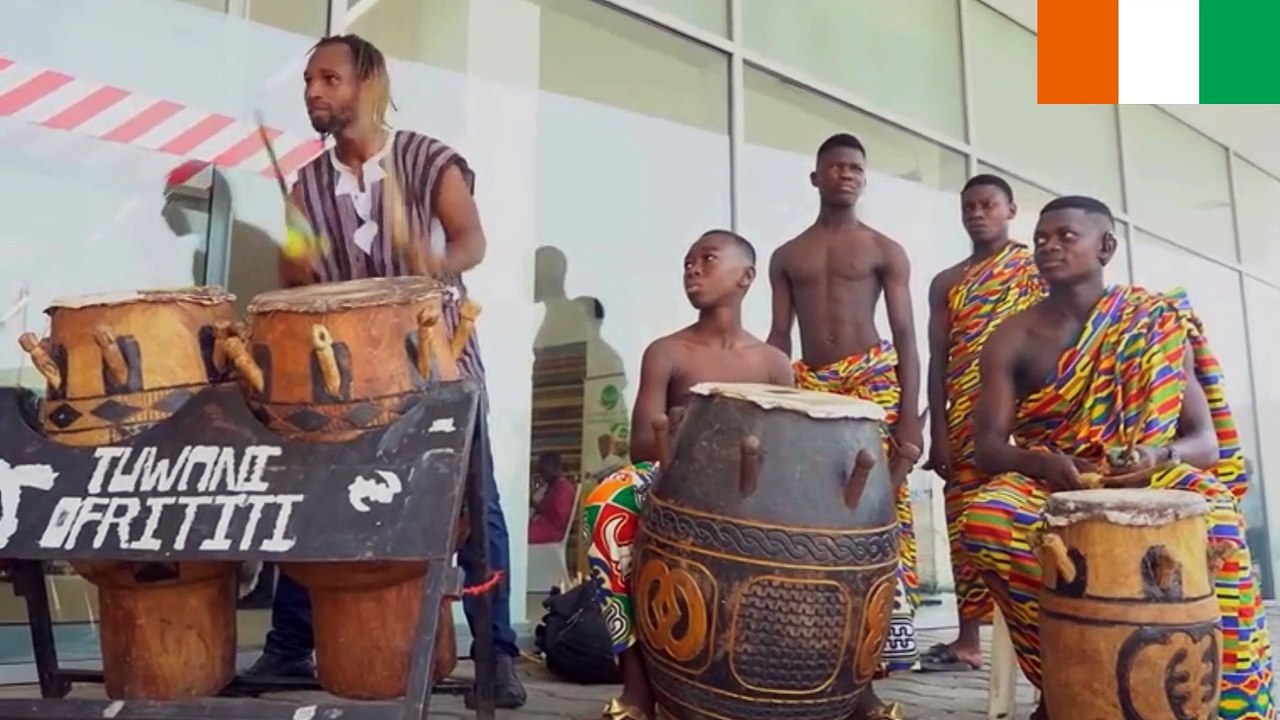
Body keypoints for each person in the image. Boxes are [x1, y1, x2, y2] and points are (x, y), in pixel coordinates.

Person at [249, 34, 527, 708]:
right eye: (309, 81)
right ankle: (291, 646)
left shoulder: (429, 160)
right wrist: (302, 269)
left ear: (368, 83)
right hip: (346, 380)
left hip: (437, 365)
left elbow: (472, 241)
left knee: (473, 505)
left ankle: (496, 654)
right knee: (315, 504)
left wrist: (431, 263)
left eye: (329, 79)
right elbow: (292, 273)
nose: (314, 92)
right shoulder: (307, 185)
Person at [965, 195, 1273, 720]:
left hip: (1150, 472)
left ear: (1106, 246)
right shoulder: (1010, 336)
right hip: (1054, 477)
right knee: (987, 520)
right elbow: (989, 448)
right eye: (1041, 239)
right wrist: (1047, 465)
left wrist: (1158, 455)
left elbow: (1204, 443)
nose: (1049, 247)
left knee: (1218, 519)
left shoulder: (1151, 323)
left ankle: (1227, 702)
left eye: (1065, 236)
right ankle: (1068, 681)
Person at [582, 230, 793, 720]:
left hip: (755, 491)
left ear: (745, 277)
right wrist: (691, 438)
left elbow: (786, 450)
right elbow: (640, 447)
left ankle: (855, 691)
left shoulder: (774, 363)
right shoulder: (667, 352)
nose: (692, 269)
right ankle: (637, 689)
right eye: (687, 262)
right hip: (675, 482)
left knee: (873, 523)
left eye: (707, 259)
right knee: (609, 502)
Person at [766, 133, 922, 718]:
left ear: (865, 178)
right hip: (811, 390)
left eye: (856, 168)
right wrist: (770, 399)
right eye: (835, 167)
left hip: (874, 387)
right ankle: (813, 659)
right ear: (816, 178)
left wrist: (909, 416)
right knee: (817, 521)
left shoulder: (885, 249)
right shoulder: (788, 255)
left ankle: (870, 675)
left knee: (879, 518)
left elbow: (905, 335)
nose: (846, 175)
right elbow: (780, 338)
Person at [919, 174, 1045, 672]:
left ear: (1011, 210)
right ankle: (968, 639)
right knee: (964, 527)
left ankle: (1039, 628)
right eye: (969, 205)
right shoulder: (947, 282)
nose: (977, 213)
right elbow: (937, 360)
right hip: (966, 419)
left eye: (988, 204)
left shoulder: (1034, 269)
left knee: (1023, 526)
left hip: (1027, 414)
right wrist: (939, 433)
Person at [528, 452, 577, 544]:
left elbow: (558, 518)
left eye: (543, 470)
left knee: (518, 535)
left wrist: (539, 508)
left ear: (553, 468)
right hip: (544, 527)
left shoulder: (563, 488)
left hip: (550, 530)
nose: (541, 474)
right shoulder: (554, 486)